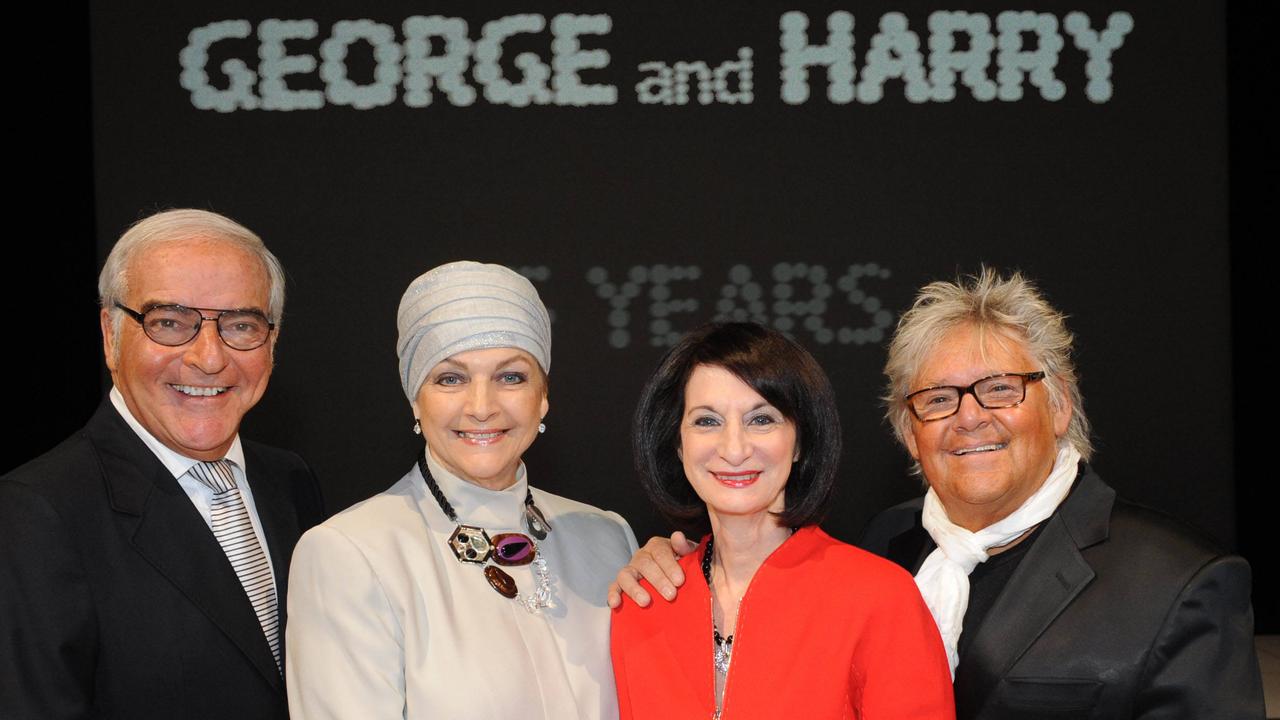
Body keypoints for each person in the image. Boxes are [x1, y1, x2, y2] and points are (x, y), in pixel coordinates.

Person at [859, 269, 1264, 718]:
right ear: (910, 433)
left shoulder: (1181, 580)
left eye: (999, 389)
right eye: (937, 398)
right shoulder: (886, 545)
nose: (969, 417)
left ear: (1059, 406)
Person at [1, 209, 325, 719]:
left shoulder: (291, 482)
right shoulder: (35, 515)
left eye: (241, 324)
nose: (209, 357)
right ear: (110, 335)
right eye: (170, 322)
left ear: (273, 340)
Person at [285, 260, 639, 719]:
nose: (481, 407)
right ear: (415, 397)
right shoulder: (351, 553)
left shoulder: (607, 538)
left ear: (543, 396)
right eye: (450, 379)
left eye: (510, 377)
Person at [610, 322, 954, 720]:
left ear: (799, 443)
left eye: (762, 420)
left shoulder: (880, 598)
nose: (734, 449)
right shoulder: (641, 604)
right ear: (677, 443)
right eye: (707, 421)